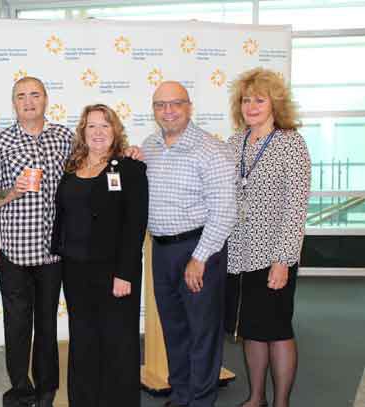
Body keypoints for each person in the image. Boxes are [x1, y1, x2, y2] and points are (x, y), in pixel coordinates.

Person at [142, 81, 236, 407]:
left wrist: (199, 258)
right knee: (174, 330)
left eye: (175, 103)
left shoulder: (211, 150)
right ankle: (181, 395)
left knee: (203, 333)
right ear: (153, 110)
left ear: (189, 107)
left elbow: (225, 211)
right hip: (161, 250)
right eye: (160, 105)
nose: (168, 111)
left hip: (198, 251)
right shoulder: (150, 146)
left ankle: (201, 401)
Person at [0, 76, 73, 407]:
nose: (29, 101)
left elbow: (90, 172)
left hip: (53, 253)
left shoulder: (65, 137)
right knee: (17, 327)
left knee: (47, 326)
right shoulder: (1, 142)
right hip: (15, 253)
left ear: (46, 99)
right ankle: (21, 392)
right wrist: (13, 191)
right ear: (14, 103)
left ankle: (47, 392)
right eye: (21, 96)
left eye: (35, 95)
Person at [50, 104, 148, 407]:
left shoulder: (129, 169)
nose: (98, 132)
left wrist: (125, 273)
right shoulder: (71, 168)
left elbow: (134, 225)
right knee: (83, 341)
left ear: (115, 131)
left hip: (115, 272)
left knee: (118, 344)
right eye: (91, 126)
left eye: (105, 126)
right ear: (83, 132)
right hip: (75, 270)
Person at [225, 68, 311, 407]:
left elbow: (296, 207)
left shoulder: (291, 143)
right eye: (246, 100)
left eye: (259, 100)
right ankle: (256, 397)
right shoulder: (235, 143)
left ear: (275, 103)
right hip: (238, 255)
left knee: (276, 330)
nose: (251, 106)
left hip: (273, 255)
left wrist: (283, 260)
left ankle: (281, 402)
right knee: (251, 329)